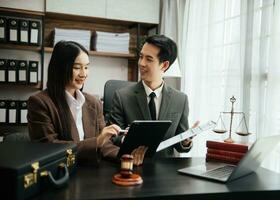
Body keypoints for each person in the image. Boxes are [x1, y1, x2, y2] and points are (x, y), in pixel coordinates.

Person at [109, 35, 199, 165]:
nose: (141, 63)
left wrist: (186, 140)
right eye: (141, 57)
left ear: (165, 65)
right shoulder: (122, 96)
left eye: (149, 59)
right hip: (131, 168)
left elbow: (180, 146)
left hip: (165, 172)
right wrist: (125, 139)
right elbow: (112, 139)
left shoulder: (181, 99)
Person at [27, 41, 121, 165]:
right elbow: (49, 147)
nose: (83, 74)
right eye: (77, 67)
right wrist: (96, 142)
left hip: (92, 172)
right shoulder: (40, 102)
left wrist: (125, 156)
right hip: (61, 174)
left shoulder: (94, 102)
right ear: (60, 68)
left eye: (86, 67)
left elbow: (105, 144)